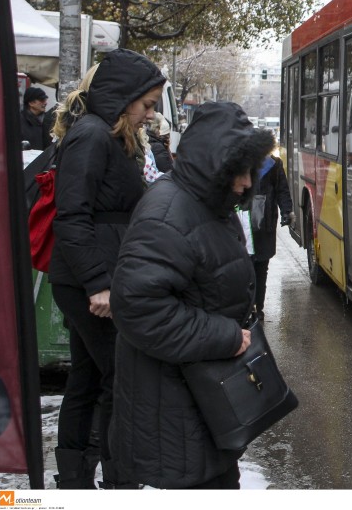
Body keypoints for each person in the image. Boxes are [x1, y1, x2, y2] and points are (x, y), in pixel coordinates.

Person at [109, 101, 276, 490]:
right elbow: (137, 308)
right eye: (239, 170)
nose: (248, 182)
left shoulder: (208, 203)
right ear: (213, 164)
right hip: (174, 415)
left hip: (196, 403)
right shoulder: (168, 213)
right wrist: (226, 336)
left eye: (251, 170)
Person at [47, 48, 166, 489]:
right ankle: (117, 482)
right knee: (118, 380)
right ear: (123, 96)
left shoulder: (104, 135)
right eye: (147, 104)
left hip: (89, 277)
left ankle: (77, 482)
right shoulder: (92, 136)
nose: (150, 115)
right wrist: (98, 284)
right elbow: (72, 216)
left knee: (88, 377)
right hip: (89, 282)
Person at [250, 152, 293, 320]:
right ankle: (252, 307)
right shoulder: (240, 162)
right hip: (249, 225)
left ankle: (257, 307)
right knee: (254, 268)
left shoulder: (274, 165)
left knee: (260, 267)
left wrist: (286, 212)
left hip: (264, 225)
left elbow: (282, 191)